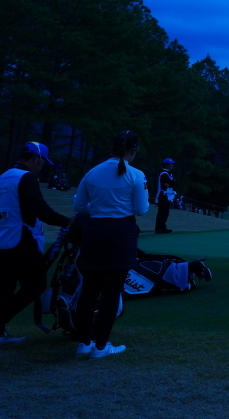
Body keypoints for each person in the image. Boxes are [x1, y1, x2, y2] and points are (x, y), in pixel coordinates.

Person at [0, 142, 72, 349]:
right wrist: (67, 221)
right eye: (42, 163)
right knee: (36, 284)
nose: (41, 167)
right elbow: (40, 209)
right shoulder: (26, 177)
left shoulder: (0, 179)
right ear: (36, 159)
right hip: (21, 241)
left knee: (3, 288)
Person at [72, 129, 149, 358]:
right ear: (132, 150)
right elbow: (141, 209)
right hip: (121, 235)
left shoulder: (92, 173)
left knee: (88, 291)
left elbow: (79, 206)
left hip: (94, 233)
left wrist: (99, 209)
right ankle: (101, 346)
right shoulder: (136, 175)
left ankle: (84, 342)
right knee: (111, 293)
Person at [155, 158, 177, 234]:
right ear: (166, 165)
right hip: (163, 195)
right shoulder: (163, 173)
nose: (172, 165)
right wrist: (171, 183)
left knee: (166, 212)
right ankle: (158, 228)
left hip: (168, 195)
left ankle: (163, 227)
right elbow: (172, 182)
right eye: (170, 164)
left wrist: (171, 183)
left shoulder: (169, 173)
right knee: (162, 212)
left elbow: (174, 183)